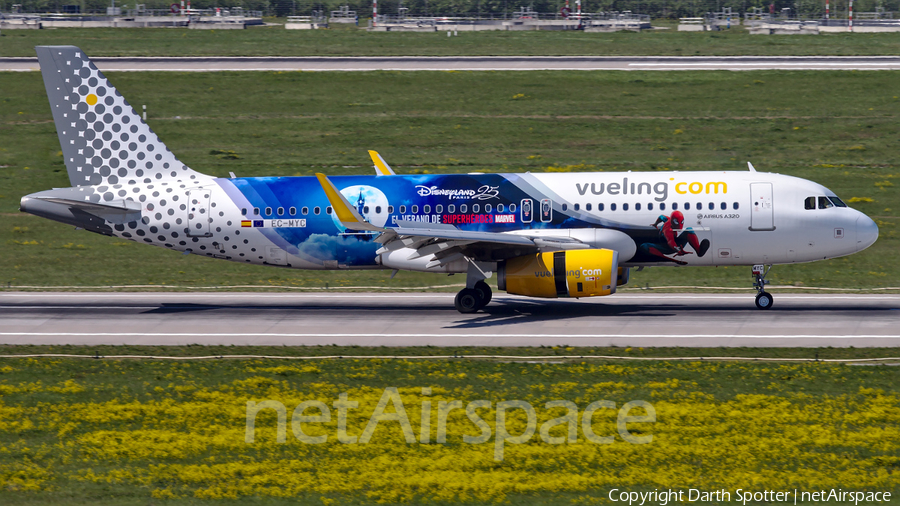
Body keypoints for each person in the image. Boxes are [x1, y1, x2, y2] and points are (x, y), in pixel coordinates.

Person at [639, 210, 710, 265]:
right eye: (677, 223)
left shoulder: (667, 219)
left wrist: (655, 224)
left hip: (677, 244)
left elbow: (661, 216)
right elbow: (671, 243)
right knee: (644, 246)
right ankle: (672, 260)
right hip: (667, 248)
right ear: (673, 222)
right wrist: (678, 250)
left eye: (681, 222)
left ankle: (699, 251)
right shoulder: (668, 231)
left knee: (689, 229)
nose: (679, 225)